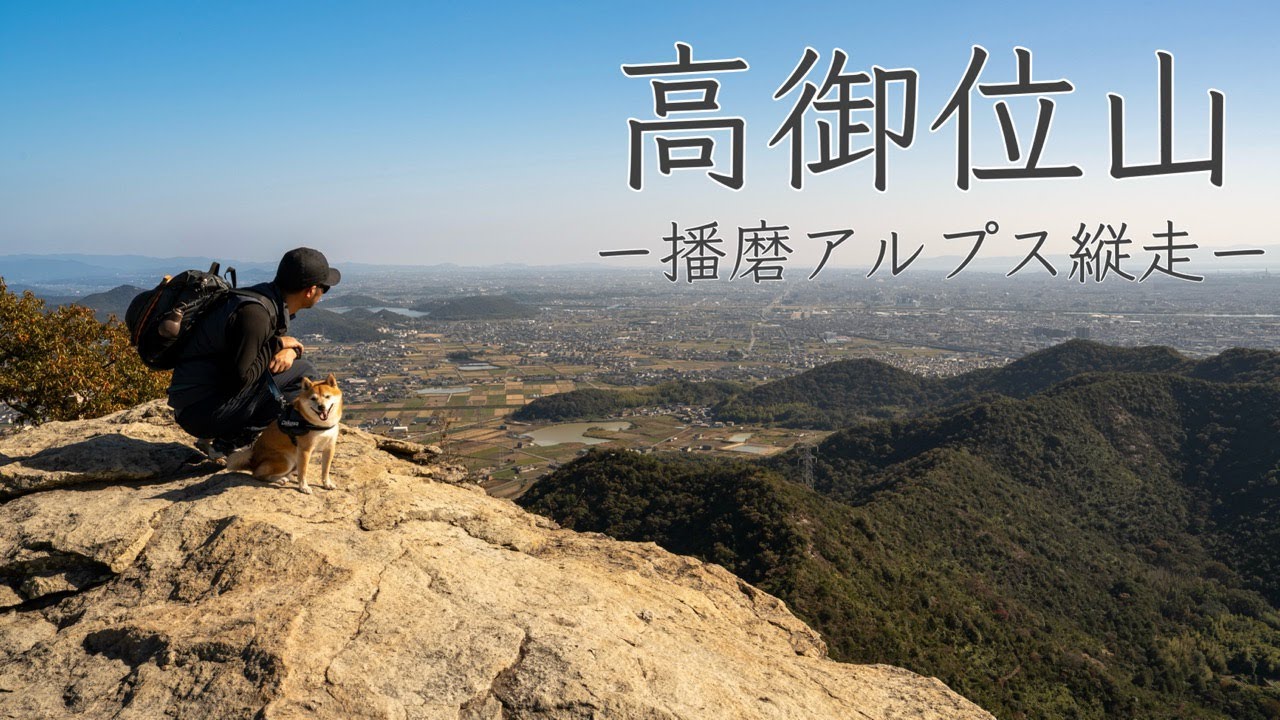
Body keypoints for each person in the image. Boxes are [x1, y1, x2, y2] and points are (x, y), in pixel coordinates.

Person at [167, 247, 341, 456]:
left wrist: (289, 350)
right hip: (200, 413)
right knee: (303, 374)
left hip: (196, 402)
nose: (323, 293)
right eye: (325, 288)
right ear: (311, 291)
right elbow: (238, 379)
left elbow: (251, 353)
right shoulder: (256, 316)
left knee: (297, 368)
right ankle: (232, 443)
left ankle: (232, 437)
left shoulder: (263, 299)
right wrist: (278, 346)